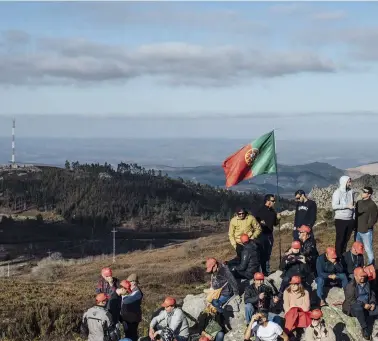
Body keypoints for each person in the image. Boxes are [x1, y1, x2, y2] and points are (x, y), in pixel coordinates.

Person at [342, 267, 378, 340]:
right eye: (361, 276)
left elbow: (372, 294)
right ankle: (364, 328)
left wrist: (372, 302)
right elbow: (351, 301)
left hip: (368, 306)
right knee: (358, 308)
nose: (363, 277)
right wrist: (363, 305)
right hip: (354, 308)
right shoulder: (350, 286)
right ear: (355, 276)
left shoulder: (367, 282)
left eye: (364, 276)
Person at [255, 194, 280, 275]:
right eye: (273, 201)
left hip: (269, 235)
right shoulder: (260, 210)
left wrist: (278, 219)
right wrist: (260, 223)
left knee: (268, 254)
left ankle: (266, 271)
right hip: (261, 235)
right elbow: (255, 222)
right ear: (268, 201)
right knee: (261, 254)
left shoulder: (272, 211)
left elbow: (275, 223)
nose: (274, 202)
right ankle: (260, 272)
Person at [332, 176, 355, 258]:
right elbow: (334, 206)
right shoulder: (337, 192)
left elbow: (352, 205)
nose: (350, 183)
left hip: (350, 219)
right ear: (344, 182)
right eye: (349, 181)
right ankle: (337, 257)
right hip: (340, 219)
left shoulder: (351, 192)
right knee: (340, 239)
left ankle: (343, 255)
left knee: (346, 240)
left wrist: (353, 218)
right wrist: (346, 206)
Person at [355, 186, 378, 266]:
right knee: (358, 249)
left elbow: (374, 218)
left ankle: (371, 267)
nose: (362, 193)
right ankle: (359, 266)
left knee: (368, 250)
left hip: (366, 232)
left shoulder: (372, 205)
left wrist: (368, 226)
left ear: (369, 194)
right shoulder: (359, 202)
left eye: (365, 192)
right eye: (362, 191)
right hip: (358, 230)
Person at [121, 274, 143, 341]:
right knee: (128, 334)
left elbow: (126, 301)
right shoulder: (130, 291)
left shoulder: (137, 292)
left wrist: (121, 294)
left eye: (129, 282)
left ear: (133, 282)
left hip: (133, 318)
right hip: (126, 317)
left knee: (132, 335)